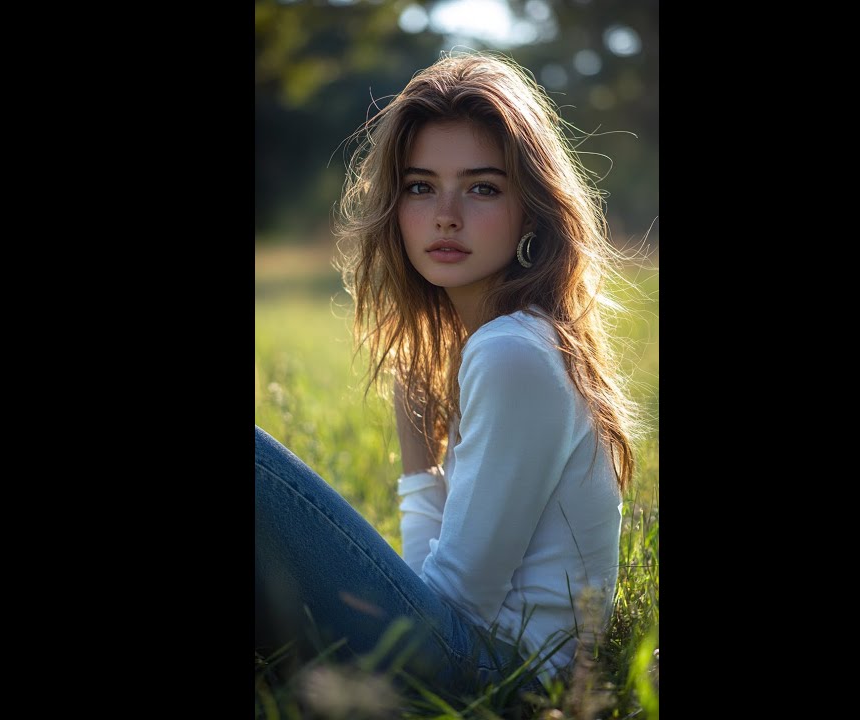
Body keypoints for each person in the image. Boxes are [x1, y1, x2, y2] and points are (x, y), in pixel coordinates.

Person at [255, 51, 641, 703]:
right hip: (491, 665)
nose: (446, 215)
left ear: (532, 209)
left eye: (482, 187)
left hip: (498, 681)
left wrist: (416, 463)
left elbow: (451, 609)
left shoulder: (511, 351)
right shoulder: (516, 340)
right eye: (421, 186)